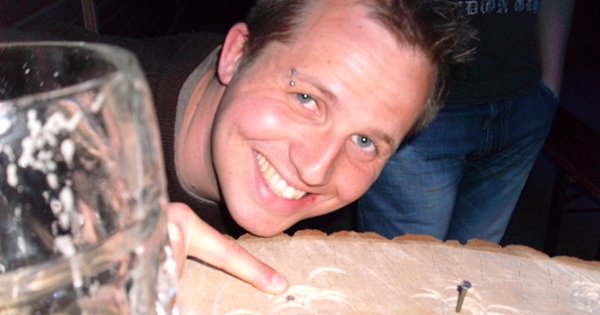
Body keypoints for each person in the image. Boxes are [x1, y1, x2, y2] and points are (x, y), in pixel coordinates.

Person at [3, 0, 474, 292]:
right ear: (236, 55)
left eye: (365, 140)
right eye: (306, 99)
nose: (315, 170)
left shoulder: (333, 222)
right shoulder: (43, 109)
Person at [357, 0, 576, 244]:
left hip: (522, 97)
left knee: (477, 256)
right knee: (407, 258)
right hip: (417, 105)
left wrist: (550, 85)